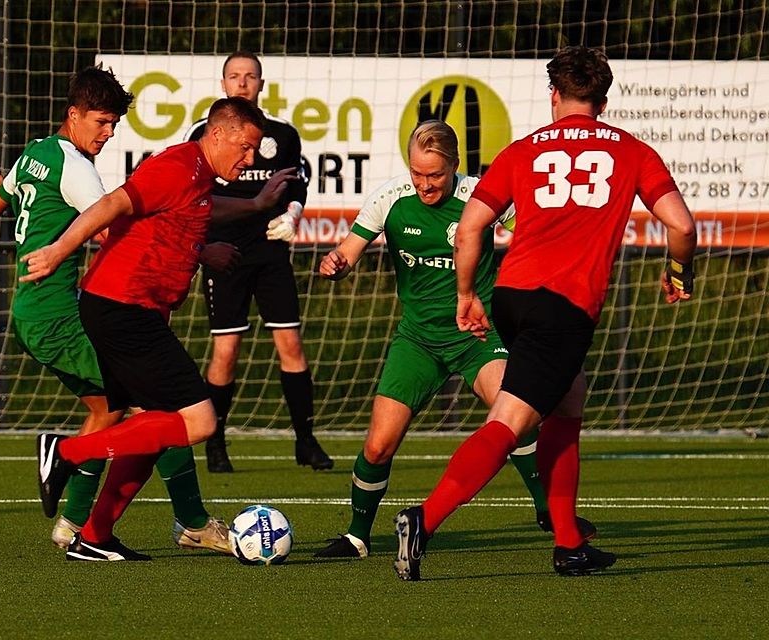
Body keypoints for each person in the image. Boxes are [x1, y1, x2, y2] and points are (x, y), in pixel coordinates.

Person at [393, 46, 697, 580]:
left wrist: (466, 295)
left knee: (569, 397)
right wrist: (677, 274)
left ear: (554, 95)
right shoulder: (632, 151)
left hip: (512, 297)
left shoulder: (521, 150)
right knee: (510, 420)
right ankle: (424, 518)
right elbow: (683, 226)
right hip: (564, 306)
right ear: (601, 100)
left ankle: (569, 543)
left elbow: (469, 228)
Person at [0, 66, 238, 555]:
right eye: (101, 121)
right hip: (59, 313)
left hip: (32, 310)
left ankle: (74, 525)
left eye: (114, 123)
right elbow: (111, 229)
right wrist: (199, 252)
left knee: (109, 409)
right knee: (160, 408)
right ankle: (191, 519)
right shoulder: (75, 167)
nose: (109, 132)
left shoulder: (35, 153)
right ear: (73, 115)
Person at [314, 120, 595, 559]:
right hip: (419, 339)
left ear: (455, 167)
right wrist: (336, 263)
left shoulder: (480, 196)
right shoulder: (390, 199)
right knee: (377, 444)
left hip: (478, 334)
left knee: (514, 414)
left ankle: (548, 511)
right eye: (417, 173)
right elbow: (348, 252)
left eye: (435, 175)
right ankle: (357, 536)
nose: (425, 185)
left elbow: (532, 232)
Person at [21, 96, 273, 561]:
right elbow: (116, 203)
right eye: (245, 146)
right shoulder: (180, 165)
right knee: (198, 420)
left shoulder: (198, 176)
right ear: (217, 134)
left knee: (155, 425)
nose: (250, 157)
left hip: (130, 309)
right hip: (123, 308)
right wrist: (58, 251)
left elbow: (176, 218)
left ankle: (94, 535)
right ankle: (66, 453)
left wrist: (210, 245)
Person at [183, 51, 333, 473]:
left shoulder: (282, 134)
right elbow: (193, 189)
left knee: (291, 344)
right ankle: (216, 444)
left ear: (261, 84)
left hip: (271, 253)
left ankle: (306, 440)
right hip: (224, 254)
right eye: (235, 76)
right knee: (226, 350)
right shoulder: (201, 133)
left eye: (250, 76)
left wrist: (293, 215)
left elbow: (296, 185)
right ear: (223, 84)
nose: (243, 83)